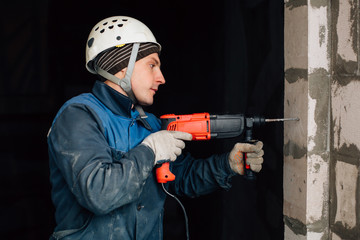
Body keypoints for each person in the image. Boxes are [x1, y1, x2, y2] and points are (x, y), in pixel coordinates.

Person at [47, 16, 264, 240]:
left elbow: (180, 178)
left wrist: (227, 164)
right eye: (152, 65)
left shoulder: (149, 123)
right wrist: (149, 152)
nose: (161, 78)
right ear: (122, 67)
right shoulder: (78, 116)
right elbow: (99, 194)